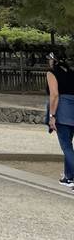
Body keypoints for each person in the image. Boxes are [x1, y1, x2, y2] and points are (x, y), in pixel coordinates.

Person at [46, 52, 74, 190]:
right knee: (69, 145)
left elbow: (54, 94)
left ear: (53, 60)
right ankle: (68, 177)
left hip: (62, 110)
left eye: (49, 59)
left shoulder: (52, 73)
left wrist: (52, 115)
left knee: (66, 146)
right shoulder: (70, 71)